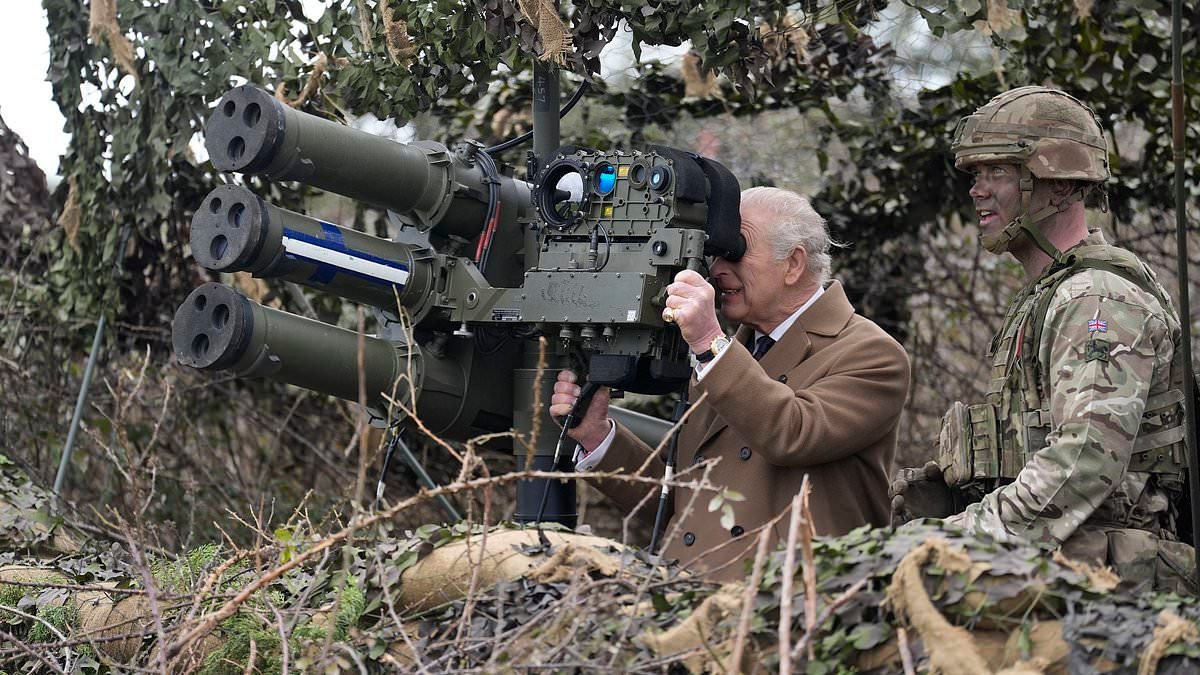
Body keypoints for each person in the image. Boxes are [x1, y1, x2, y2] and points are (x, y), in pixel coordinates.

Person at [891, 86, 1194, 593]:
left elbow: (1085, 460)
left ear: (1059, 186)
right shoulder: (1050, 294)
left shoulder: (1095, 297)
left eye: (1000, 172)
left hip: (1109, 593)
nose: (977, 190)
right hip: (1061, 576)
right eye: (976, 174)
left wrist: (962, 538)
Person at [550, 186, 911, 581]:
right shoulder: (728, 354)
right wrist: (599, 439)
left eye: (736, 250)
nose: (718, 268)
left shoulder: (870, 353)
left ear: (793, 264)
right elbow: (685, 504)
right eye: (716, 252)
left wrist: (709, 343)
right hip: (689, 604)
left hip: (791, 614)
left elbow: (793, 432)